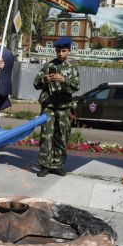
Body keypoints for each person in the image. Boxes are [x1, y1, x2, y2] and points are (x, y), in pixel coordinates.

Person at [33, 36, 79, 177]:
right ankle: (45, 165)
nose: (60, 54)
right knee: (47, 135)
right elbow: (36, 83)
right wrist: (44, 79)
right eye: (58, 51)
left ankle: (57, 165)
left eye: (63, 51)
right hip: (49, 106)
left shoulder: (72, 67)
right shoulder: (48, 66)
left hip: (64, 106)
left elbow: (76, 86)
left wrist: (63, 79)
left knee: (61, 136)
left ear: (69, 51)